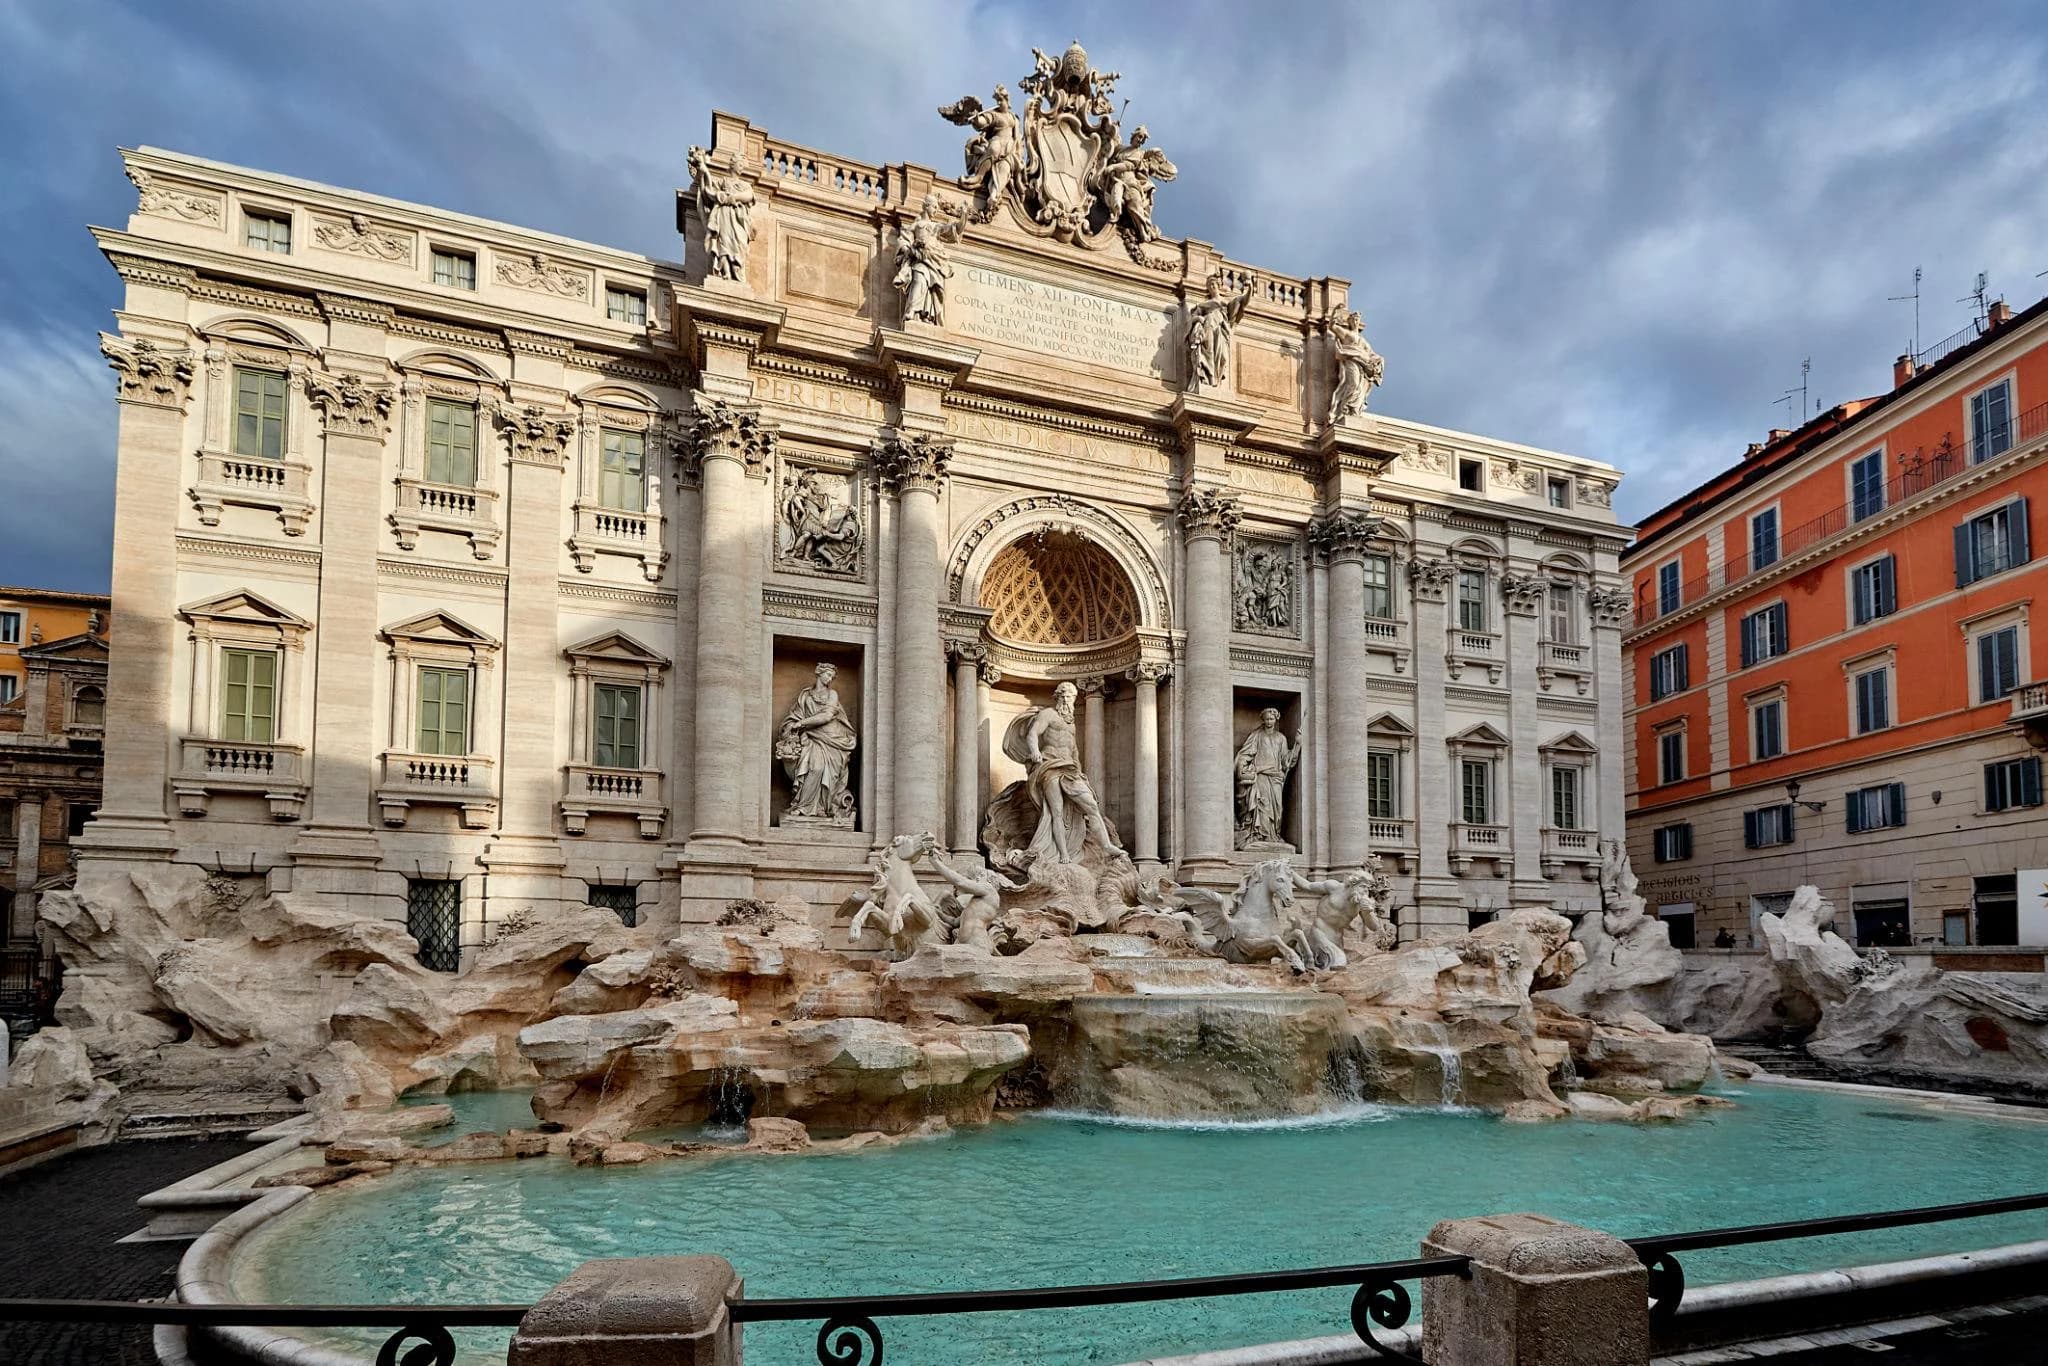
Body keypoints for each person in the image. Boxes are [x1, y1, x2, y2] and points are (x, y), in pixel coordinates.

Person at [1007, 681, 1118, 864]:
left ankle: (1106, 845)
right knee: (1056, 811)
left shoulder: (1071, 725)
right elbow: (1032, 733)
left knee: (1091, 805)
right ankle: (1063, 853)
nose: (1068, 701)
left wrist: (1080, 772)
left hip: (1069, 768)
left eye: (1071, 697)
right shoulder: (1048, 714)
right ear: (1057, 697)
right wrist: (1035, 751)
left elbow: (1074, 751)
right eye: (1065, 696)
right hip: (1049, 765)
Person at [776, 663, 857, 820]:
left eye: (832, 677)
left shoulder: (832, 694)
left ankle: (822, 807)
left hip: (832, 739)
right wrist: (792, 726)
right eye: (827, 675)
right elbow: (794, 716)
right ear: (819, 673)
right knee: (815, 768)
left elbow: (827, 716)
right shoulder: (805, 695)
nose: (829, 679)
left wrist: (801, 723)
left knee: (824, 771)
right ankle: (804, 806)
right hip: (811, 737)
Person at [1233, 708, 1302, 847]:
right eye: (1267, 719)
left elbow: (1286, 761)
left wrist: (1298, 744)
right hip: (1261, 777)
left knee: (1277, 809)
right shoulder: (1256, 735)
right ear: (1263, 720)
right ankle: (1260, 835)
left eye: (1272, 719)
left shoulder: (1280, 738)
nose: (1269, 722)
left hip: (1276, 778)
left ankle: (1273, 834)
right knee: (1262, 807)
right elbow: (1245, 755)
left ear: (1276, 719)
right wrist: (1243, 767)